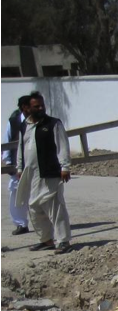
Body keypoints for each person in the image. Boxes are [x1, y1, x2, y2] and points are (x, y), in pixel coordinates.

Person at [15, 94, 73, 254]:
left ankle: (63, 241)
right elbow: (21, 147)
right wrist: (19, 168)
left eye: (42, 105)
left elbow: (62, 145)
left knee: (56, 208)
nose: (41, 108)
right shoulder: (24, 126)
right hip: (31, 175)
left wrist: (65, 167)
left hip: (50, 173)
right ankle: (46, 240)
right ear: (27, 108)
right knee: (34, 208)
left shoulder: (53, 124)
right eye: (36, 106)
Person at [3, 95, 33, 235]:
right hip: (18, 164)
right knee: (16, 193)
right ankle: (21, 224)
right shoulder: (14, 121)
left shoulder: (42, 120)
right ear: (24, 108)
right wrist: (9, 163)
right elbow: (8, 140)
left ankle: (45, 223)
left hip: (36, 164)